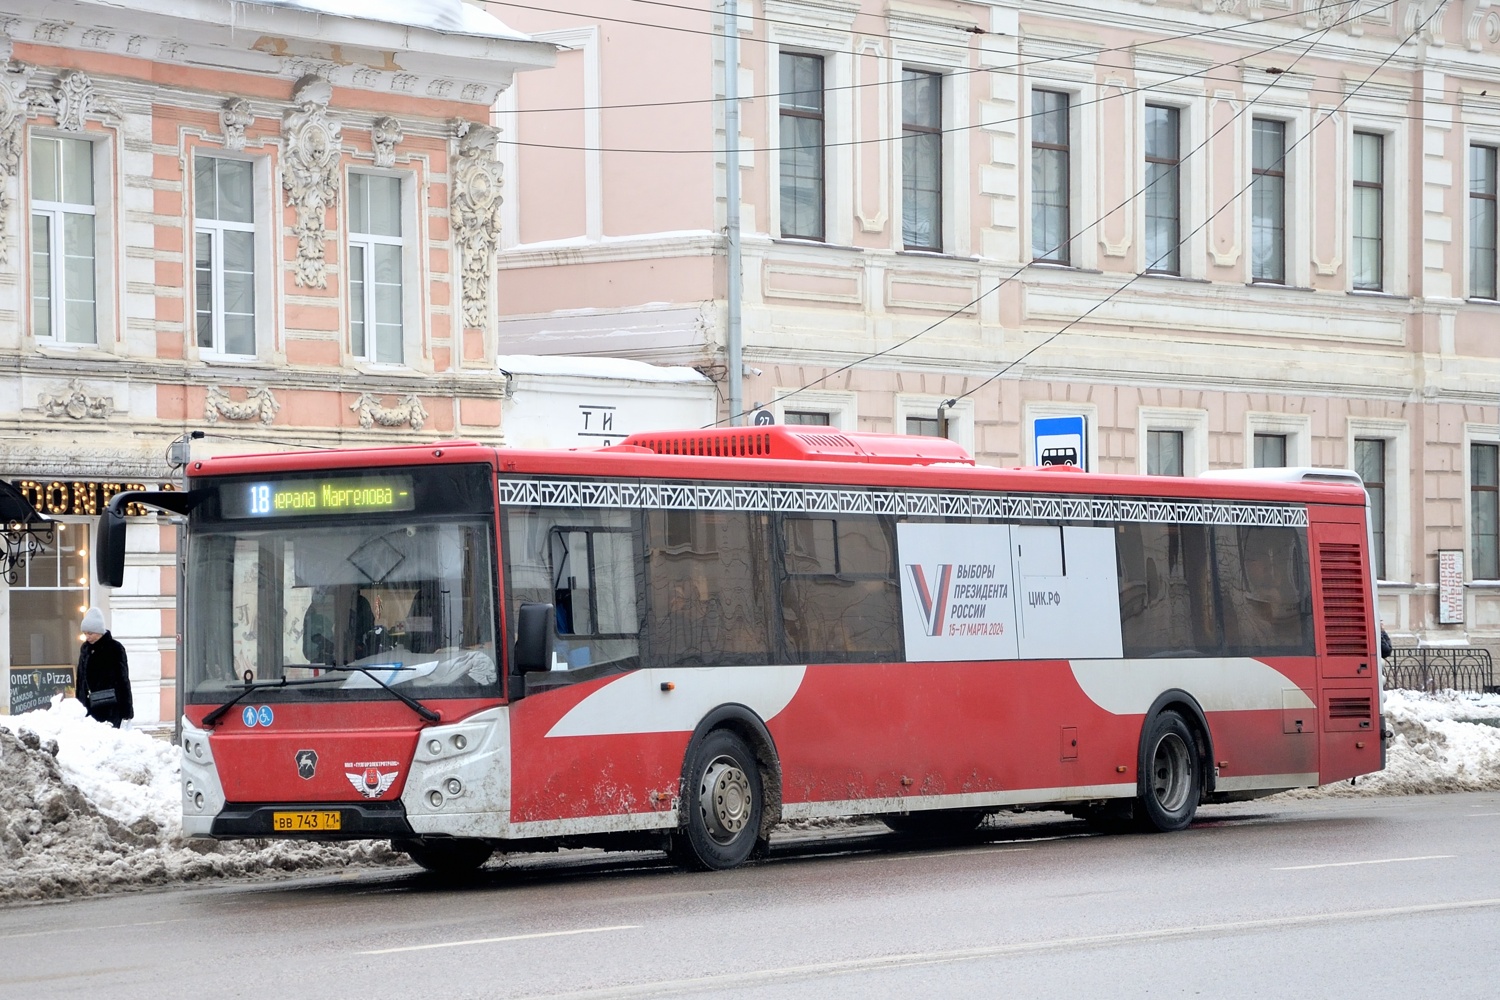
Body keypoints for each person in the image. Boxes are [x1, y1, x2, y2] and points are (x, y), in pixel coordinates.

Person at [76, 607, 133, 728]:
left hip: (110, 707)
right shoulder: (85, 649)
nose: (87, 637)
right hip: (87, 708)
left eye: (90, 633)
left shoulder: (114, 648)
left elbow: (123, 679)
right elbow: (80, 679)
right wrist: (79, 704)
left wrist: (126, 710)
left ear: (99, 631)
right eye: (85, 633)